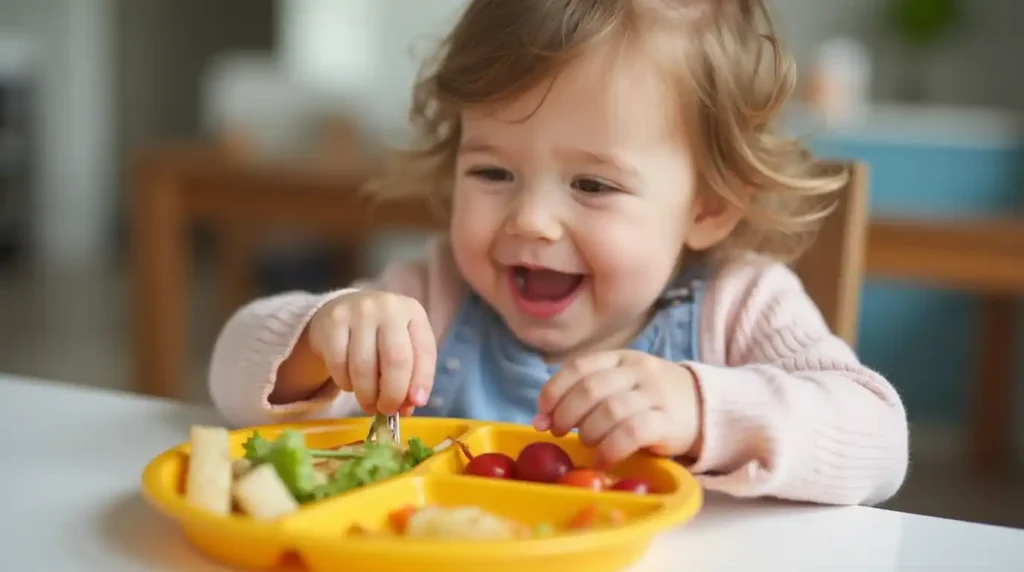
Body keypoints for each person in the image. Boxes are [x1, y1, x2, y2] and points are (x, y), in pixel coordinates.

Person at [209, 0, 908, 506]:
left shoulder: (741, 302)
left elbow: (879, 444)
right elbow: (231, 383)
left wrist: (703, 409)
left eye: (593, 184)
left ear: (709, 205)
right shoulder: (436, 292)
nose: (533, 220)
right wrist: (322, 340)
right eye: (493, 173)